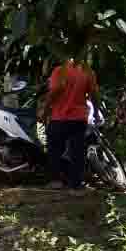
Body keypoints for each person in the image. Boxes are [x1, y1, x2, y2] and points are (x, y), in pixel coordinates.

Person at [39, 58, 100, 190]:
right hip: (79, 118)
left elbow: (53, 92)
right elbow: (94, 94)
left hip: (58, 118)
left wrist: (45, 111)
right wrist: (96, 113)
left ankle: (56, 180)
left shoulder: (59, 71)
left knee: (54, 150)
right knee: (77, 151)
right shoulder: (88, 71)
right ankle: (76, 183)